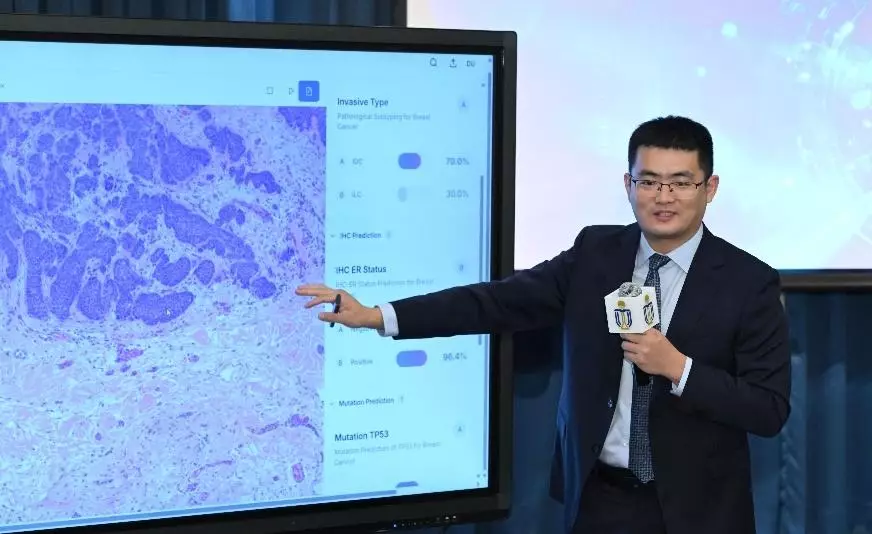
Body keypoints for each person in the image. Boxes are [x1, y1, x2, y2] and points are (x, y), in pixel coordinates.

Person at [295, 116, 791, 534]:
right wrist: (378, 315)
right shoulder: (595, 254)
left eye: (680, 182)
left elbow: (768, 409)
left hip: (698, 510)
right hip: (599, 500)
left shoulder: (749, 282)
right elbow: (495, 302)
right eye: (648, 181)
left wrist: (678, 368)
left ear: (709, 188)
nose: (663, 196)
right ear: (628, 185)